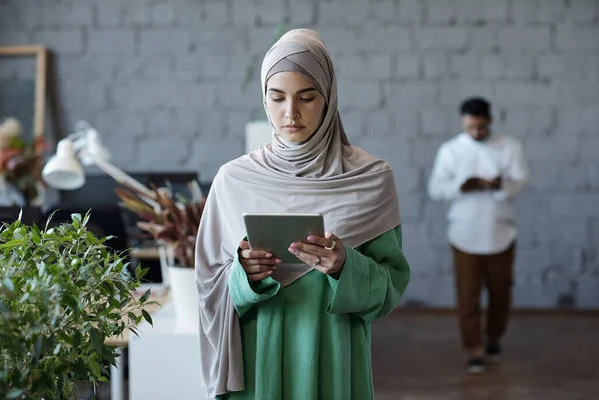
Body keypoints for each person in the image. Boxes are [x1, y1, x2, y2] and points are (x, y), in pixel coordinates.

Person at [194, 29, 411, 399]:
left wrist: (346, 267)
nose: (290, 113)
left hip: (334, 357)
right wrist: (244, 274)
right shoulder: (235, 179)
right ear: (264, 99)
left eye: (307, 98)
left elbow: (390, 286)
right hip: (257, 355)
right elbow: (209, 284)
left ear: (328, 99)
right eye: (277, 98)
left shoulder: (370, 179)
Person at [427, 97, 529, 374]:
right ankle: (474, 349)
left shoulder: (509, 146)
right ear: (463, 122)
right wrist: (463, 186)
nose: (477, 132)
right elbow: (436, 188)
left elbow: (520, 181)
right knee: (468, 296)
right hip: (464, 234)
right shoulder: (450, 150)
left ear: (490, 121)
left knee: (500, 293)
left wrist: (499, 185)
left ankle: (493, 337)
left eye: (482, 127)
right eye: (472, 127)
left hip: (501, 231)